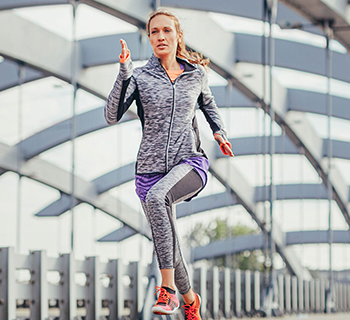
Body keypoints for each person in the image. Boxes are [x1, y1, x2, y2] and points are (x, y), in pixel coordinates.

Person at [104, 8, 234, 320]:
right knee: (168, 242)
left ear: (177, 36)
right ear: (149, 38)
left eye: (166, 31)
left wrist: (219, 132)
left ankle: (168, 291)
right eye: (154, 32)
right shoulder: (140, 77)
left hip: (189, 163)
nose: (160, 37)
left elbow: (209, 104)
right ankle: (191, 301)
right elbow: (111, 115)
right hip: (149, 171)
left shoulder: (195, 75)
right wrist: (124, 72)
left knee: (157, 199)